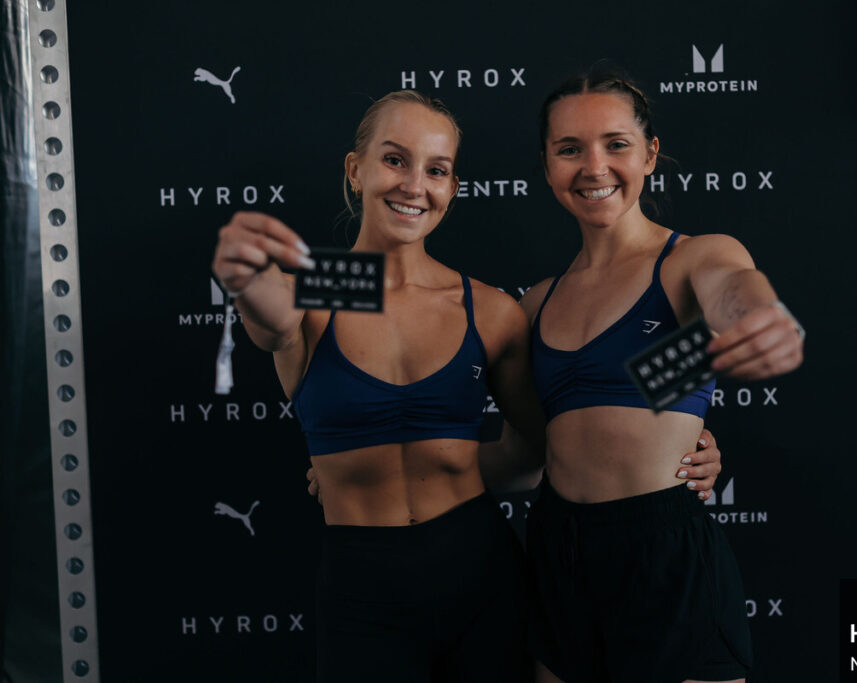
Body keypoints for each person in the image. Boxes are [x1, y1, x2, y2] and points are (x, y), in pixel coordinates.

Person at [213, 90, 724, 682]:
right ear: (356, 170)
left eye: (437, 170)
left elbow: (546, 445)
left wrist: (683, 441)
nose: (414, 185)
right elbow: (270, 321)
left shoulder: (492, 310)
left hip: (482, 576)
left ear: (453, 188)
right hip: (360, 586)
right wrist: (242, 270)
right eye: (394, 160)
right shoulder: (307, 293)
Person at [520, 73, 805, 683]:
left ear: (649, 154)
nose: (594, 166)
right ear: (546, 166)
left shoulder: (694, 258)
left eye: (615, 144)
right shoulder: (534, 304)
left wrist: (758, 317)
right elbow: (521, 453)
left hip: (664, 552)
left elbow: (735, 290)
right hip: (556, 551)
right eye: (569, 148)